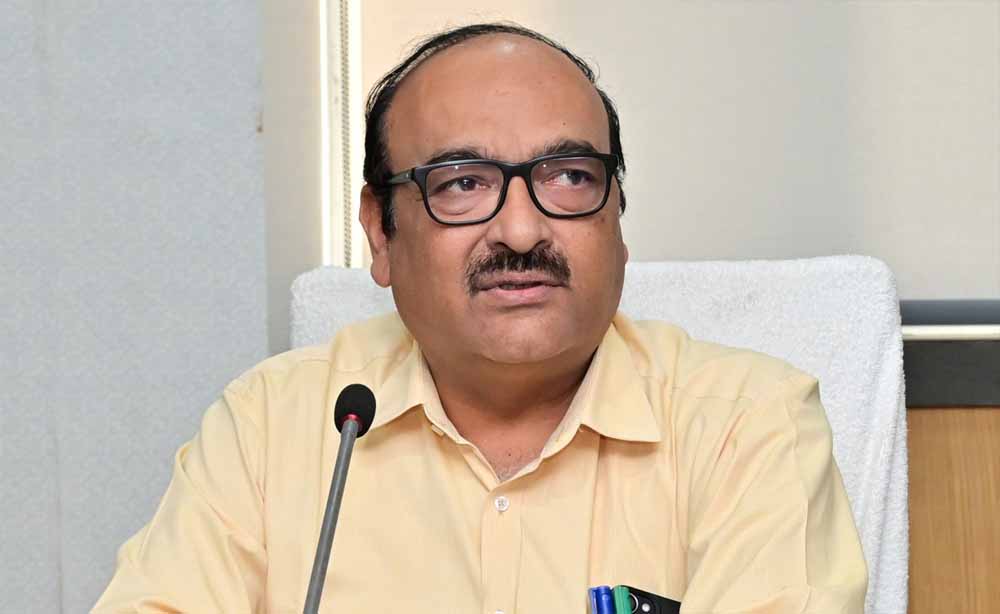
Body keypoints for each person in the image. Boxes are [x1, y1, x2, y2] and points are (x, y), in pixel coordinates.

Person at [93, 22, 867, 613]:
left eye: (570, 177)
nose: (522, 231)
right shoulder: (272, 427)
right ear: (380, 232)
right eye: (462, 183)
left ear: (617, 219)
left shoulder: (747, 426)